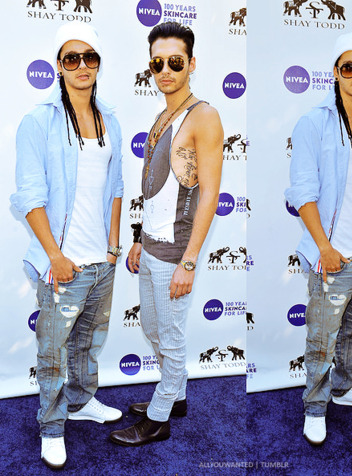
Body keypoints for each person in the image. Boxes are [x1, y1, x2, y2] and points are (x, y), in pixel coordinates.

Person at [10, 23, 124, 469]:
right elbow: (29, 197)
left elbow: (116, 187)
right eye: (71, 58)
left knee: (89, 344)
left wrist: (113, 249)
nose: (81, 65)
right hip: (63, 262)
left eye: (89, 57)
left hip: (101, 262)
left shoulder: (110, 119)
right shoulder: (38, 121)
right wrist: (55, 257)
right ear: (59, 66)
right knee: (54, 352)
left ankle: (80, 401)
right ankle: (52, 427)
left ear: (99, 64)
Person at [110, 22, 223, 446]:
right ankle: (176, 396)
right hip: (152, 246)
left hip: (176, 251)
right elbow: (155, 187)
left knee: (170, 337)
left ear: (192, 64)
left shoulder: (204, 116)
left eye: (175, 62)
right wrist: (139, 238)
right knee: (154, 328)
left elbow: (209, 193)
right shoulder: (164, 115)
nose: (165, 71)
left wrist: (188, 261)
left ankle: (159, 419)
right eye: (157, 63)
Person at [285, 31, 352, 446]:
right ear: (335, 71)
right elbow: (302, 191)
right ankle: (315, 407)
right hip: (333, 254)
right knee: (321, 338)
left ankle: (346, 388)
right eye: (349, 67)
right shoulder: (314, 122)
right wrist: (325, 248)